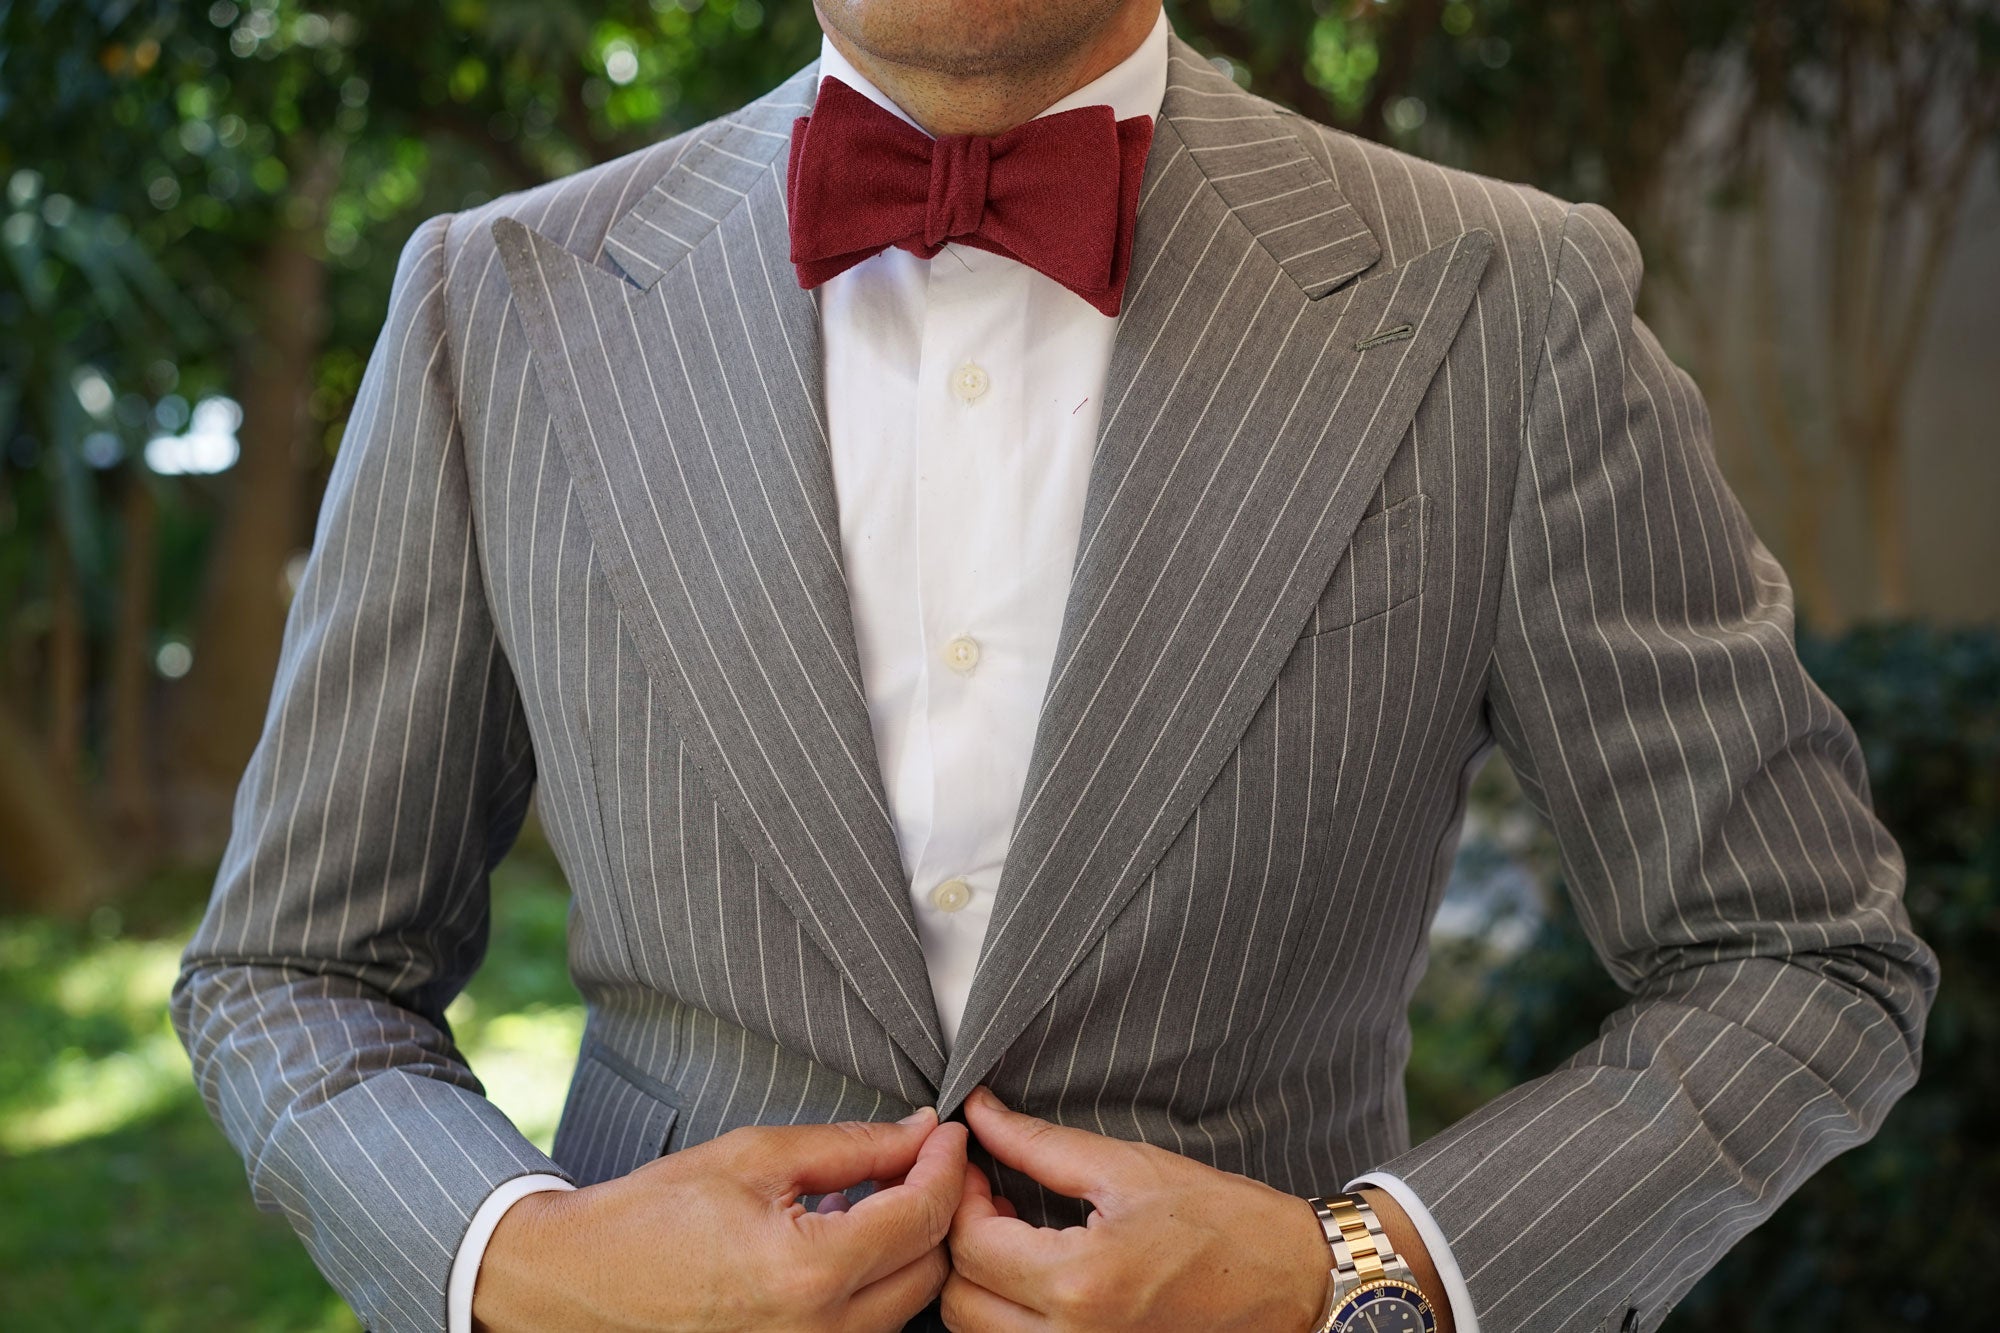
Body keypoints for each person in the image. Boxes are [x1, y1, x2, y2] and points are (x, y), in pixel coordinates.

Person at [171, 1, 1938, 1330]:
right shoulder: (498, 306)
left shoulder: (1507, 307)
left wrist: (1359, 1274)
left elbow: (1798, 953)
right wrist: (527, 1262)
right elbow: (294, 968)